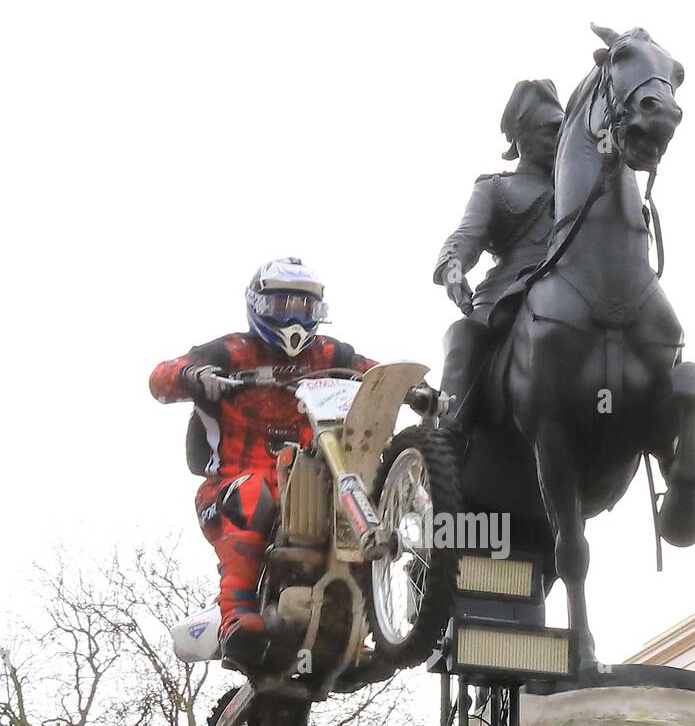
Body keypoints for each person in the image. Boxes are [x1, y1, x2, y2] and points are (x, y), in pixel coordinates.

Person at [149, 258, 377, 668]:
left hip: (306, 488)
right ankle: (234, 616)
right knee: (254, 493)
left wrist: (418, 390)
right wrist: (197, 376)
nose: (293, 317)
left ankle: (358, 628)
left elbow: (374, 373)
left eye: (305, 308)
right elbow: (160, 377)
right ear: (258, 304)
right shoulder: (232, 351)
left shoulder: (328, 353)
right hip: (227, 490)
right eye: (282, 305)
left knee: (355, 500)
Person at [433, 79, 564, 435]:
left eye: (563, 129)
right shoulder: (494, 188)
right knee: (465, 339)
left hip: (571, 284)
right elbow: (464, 239)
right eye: (550, 130)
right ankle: (444, 441)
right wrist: (453, 269)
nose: (559, 139)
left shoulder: (580, 190)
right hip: (505, 295)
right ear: (521, 135)